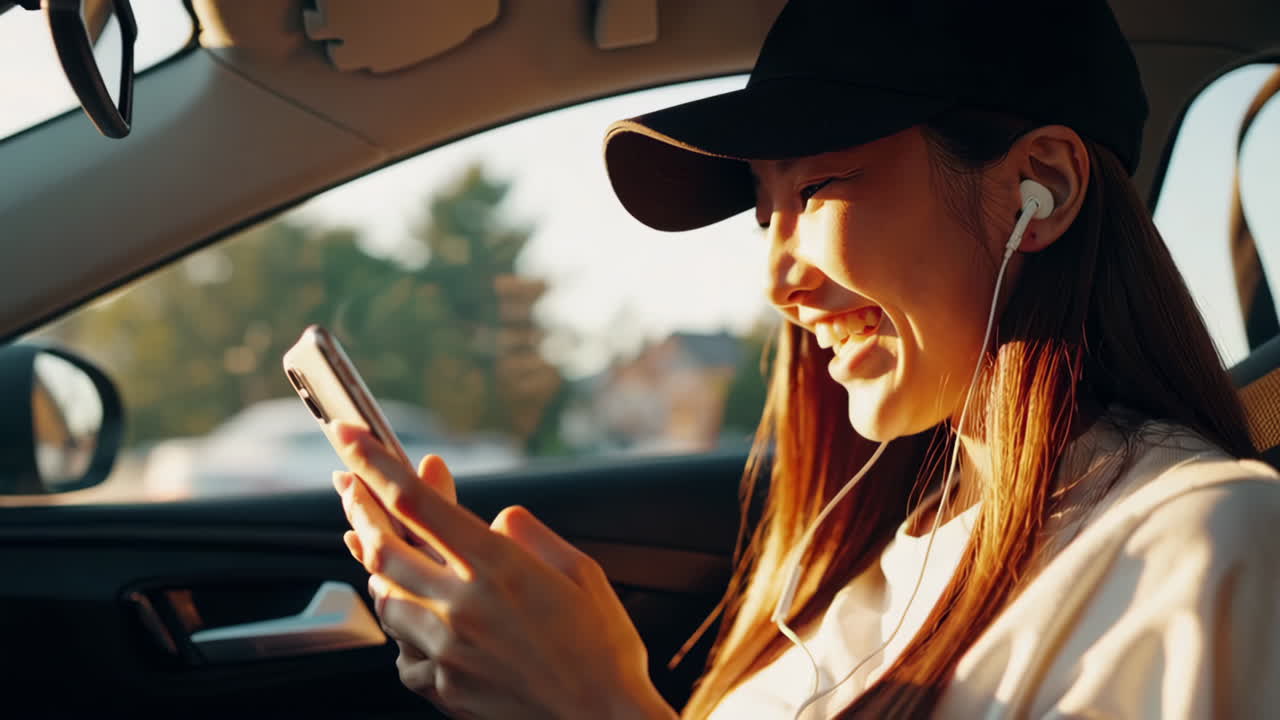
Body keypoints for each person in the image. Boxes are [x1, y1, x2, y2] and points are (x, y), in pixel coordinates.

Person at [327, 0, 1280, 718]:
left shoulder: (1200, 547)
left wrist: (593, 703)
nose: (779, 280)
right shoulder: (889, 549)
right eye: (763, 212)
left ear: (1042, 185)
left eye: (818, 189)